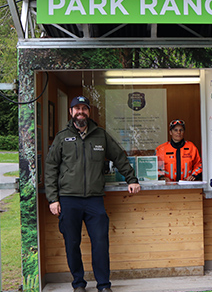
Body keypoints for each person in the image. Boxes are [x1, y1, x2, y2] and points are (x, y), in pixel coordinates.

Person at [45, 96, 141, 292]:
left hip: (94, 200)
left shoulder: (100, 135)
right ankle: (78, 284)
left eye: (84, 109)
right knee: (72, 244)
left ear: (89, 112)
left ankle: (104, 285)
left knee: (100, 243)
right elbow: (50, 168)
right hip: (69, 200)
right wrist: (53, 198)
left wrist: (131, 179)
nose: (81, 112)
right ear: (71, 112)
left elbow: (119, 157)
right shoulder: (62, 137)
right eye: (77, 109)